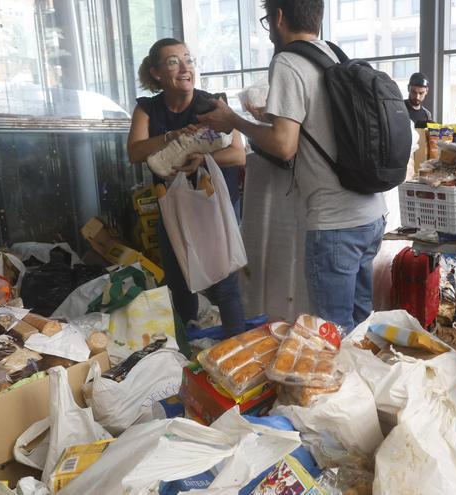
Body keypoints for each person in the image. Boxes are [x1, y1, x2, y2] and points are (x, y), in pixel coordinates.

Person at [198, 0, 386, 332]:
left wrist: (233, 120)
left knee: (332, 337)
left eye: (266, 19)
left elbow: (285, 147)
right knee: (359, 328)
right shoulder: (334, 55)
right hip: (370, 213)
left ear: (279, 17)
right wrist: (267, 119)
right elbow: (323, 127)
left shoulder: (288, 60)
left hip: (334, 223)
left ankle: (338, 385)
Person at [126, 38, 247, 337]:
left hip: (211, 204)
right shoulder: (148, 109)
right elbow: (135, 152)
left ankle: (238, 347)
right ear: (156, 73)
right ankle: (188, 339)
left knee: (222, 282)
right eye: (173, 61)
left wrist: (203, 158)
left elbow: (238, 154)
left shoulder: (212, 105)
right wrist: (172, 136)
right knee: (178, 275)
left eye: (188, 60)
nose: (184, 68)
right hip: (172, 205)